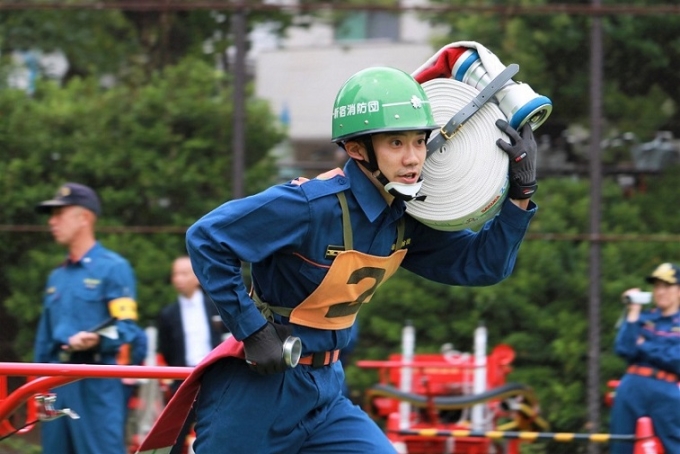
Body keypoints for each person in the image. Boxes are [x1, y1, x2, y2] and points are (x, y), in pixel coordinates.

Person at [179, 66, 537, 453]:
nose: (414, 157)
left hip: (326, 396)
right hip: (257, 393)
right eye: (396, 143)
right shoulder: (309, 206)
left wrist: (520, 195)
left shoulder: (407, 218)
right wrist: (252, 330)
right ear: (356, 149)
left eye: (419, 141)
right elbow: (207, 237)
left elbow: (484, 265)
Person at [34, 182, 142, 454]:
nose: (52, 221)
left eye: (59, 213)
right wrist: (36, 388)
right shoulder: (56, 277)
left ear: (84, 218)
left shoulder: (114, 268)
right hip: (55, 384)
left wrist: (97, 339)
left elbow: (127, 329)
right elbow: (44, 338)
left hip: (96, 382)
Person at [156, 255, 229, 454]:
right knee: (175, 434)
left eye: (184, 274)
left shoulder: (215, 307)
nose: (178, 279)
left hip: (214, 377)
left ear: (197, 276)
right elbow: (165, 350)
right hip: (183, 379)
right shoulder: (167, 314)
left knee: (217, 431)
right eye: (175, 274)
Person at [610, 262, 680, 454]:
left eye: (667, 286)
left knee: (674, 446)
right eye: (657, 286)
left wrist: (643, 345)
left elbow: (676, 360)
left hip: (666, 391)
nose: (661, 291)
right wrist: (632, 312)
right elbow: (624, 348)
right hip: (632, 387)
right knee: (620, 445)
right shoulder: (643, 318)